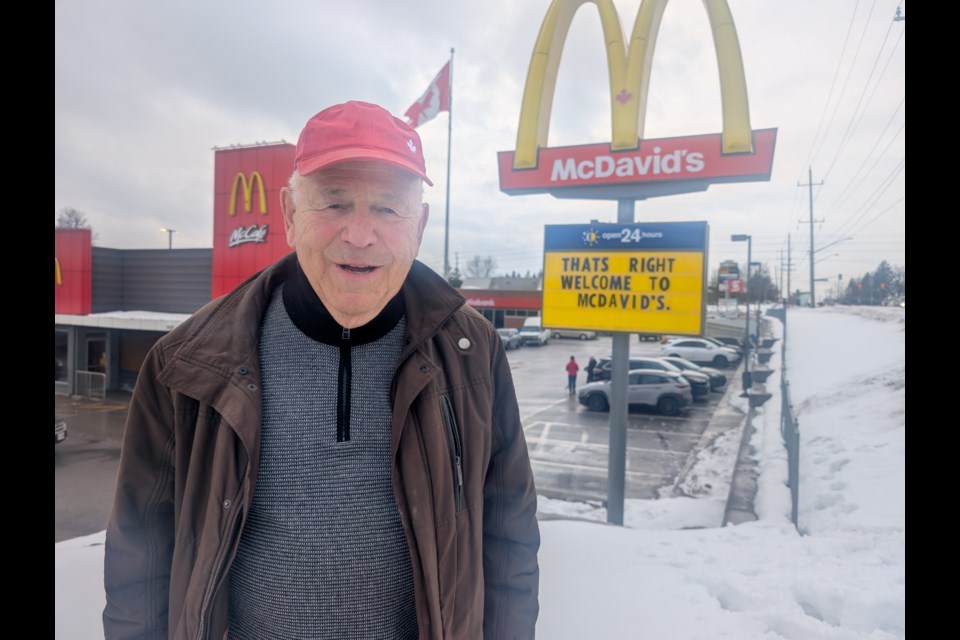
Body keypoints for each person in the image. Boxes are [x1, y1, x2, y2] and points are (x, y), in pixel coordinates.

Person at [102, 100, 540, 639]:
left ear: (419, 224)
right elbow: (140, 556)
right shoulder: (187, 364)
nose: (359, 234)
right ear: (289, 213)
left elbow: (508, 542)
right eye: (334, 203)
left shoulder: (474, 356)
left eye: (387, 209)